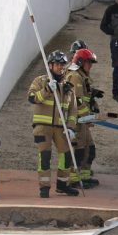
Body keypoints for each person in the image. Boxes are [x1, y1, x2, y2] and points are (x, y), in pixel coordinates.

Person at [28, 50, 79, 198]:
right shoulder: (40, 81)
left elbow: (73, 111)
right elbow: (32, 98)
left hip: (61, 128)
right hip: (42, 127)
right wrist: (47, 90)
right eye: (57, 64)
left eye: (62, 65)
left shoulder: (68, 87)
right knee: (45, 156)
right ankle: (44, 187)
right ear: (50, 65)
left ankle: (63, 185)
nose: (60, 67)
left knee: (66, 155)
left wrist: (70, 127)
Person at [66, 48, 104, 189]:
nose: (91, 65)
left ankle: (85, 176)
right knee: (78, 151)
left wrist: (93, 100)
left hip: (83, 120)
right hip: (76, 121)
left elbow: (85, 98)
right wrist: (87, 116)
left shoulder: (82, 75)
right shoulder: (75, 76)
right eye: (89, 62)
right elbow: (77, 101)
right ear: (81, 62)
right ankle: (74, 179)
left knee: (90, 149)